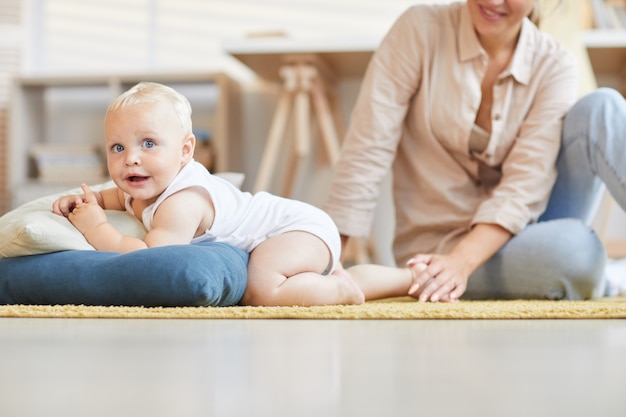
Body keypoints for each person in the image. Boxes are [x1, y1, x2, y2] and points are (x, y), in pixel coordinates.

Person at [325, 0, 626, 302]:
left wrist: (462, 263)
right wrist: (328, 259)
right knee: (579, 252)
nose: (493, 1)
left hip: (522, 232)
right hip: (436, 246)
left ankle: (593, 278)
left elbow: (524, 187)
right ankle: (597, 279)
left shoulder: (555, 63)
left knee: (603, 107)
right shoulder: (419, 29)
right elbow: (367, 149)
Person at [52, 81, 417, 307]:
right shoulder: (139, 186)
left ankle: (340, 293)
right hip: (299, 228)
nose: (131, 158)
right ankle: (408, 279)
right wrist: (85, 201)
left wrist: (97, 228)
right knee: (331, 273)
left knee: (262, 289)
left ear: (185, 151)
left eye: (148, 143)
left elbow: (149, 257)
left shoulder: (182, 202)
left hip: (294, 229)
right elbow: (110, 197)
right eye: (117, 148)